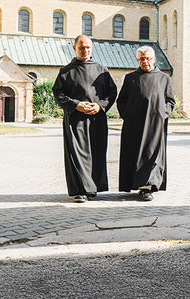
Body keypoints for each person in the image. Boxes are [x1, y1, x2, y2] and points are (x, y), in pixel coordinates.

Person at [53, 34, 117, 203]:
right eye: (81, 47)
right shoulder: (66, 71)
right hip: (75, 120)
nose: (85, 50)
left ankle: (92, 188)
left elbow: (112, 93)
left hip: (96, 119)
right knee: (77, 154)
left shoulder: (102, 70)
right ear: (74, 48)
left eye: (88, 47)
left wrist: (100, 106)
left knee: (96, 152)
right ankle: (80, 190)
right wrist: (76, 105)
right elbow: (58, 94)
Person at [117, 45, 174, 201]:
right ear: (137, 60)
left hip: (155, 125)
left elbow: (170, 101)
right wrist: (128, 116)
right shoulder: (130, 78)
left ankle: (147, 187)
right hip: (134, 126)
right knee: (135, 155)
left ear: (154, 59)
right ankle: (135, 184)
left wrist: (162, 114)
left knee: (152, 155)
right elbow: (121, 101)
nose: (145, 61)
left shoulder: (164, 79)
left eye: (148, 58)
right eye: (142, 59)